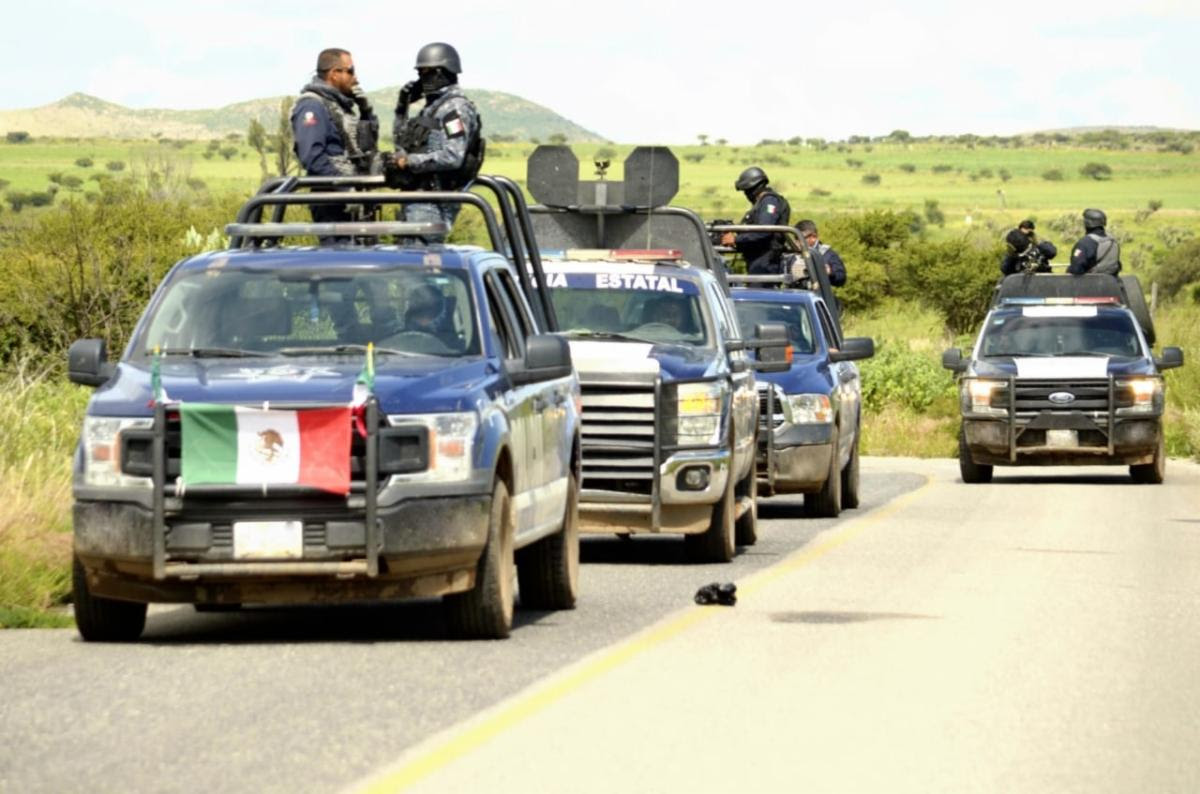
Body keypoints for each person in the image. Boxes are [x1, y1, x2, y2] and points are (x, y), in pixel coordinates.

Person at [387, 42, 484, 243]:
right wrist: (402, 107)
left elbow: (452, 156)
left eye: (425, 73)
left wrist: (409, 161)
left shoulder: (453, 109)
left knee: (421, 257)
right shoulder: (432, 109)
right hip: (419, 198)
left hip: (433, 202)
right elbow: (402, 145)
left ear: (441, 72)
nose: (421, 79)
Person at [290, 48, 380, 235]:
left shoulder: (341, 106)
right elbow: (312, 156)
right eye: (351, 71)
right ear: (334, 73)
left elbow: (365, 148)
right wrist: (345, 187)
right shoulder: (312, 105)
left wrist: (366, 111)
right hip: (332, 202)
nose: (356, 78)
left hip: (354, 196)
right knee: (339, 251)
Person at [719, 167, 790, 275]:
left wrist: (735, 239)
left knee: (760, 285)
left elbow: (764, 230)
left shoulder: (769, 201)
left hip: (765, 260)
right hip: (758, 258)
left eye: (746, 191)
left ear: (753, 188)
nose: (746, 194)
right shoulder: (761, 202)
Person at [1069, 208, 1121, 275]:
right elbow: (1118, 265)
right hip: (1112, 280)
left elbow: (1076, 269)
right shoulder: (1113, 242)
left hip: (1091, 281)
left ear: (1086, 223)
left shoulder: (1085, 243)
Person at [796, 220, 846, 286]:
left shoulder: (827, 254)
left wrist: (830, 272)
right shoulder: (792, 253)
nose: (798, 241)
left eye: (801, 238)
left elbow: (841, 278)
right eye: (796, 238)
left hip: (818, 291)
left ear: (813, 237)